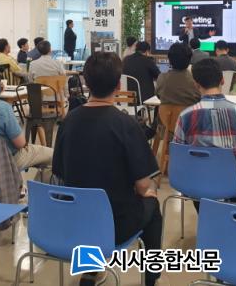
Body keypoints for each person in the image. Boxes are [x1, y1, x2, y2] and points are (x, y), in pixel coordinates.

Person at [53, 52, 162, 286]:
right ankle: (151, 280)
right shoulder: (126, 124)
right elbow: (143, 186)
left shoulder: (68, 121)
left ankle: (91, 270)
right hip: (115, 224)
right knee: (152, 205)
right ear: (118, 85)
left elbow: (59, 173)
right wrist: (149, 191)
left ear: (86, 82)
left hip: (73, 220)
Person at [174, 58, 236, 205]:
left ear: (196, 85)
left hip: (198, 188)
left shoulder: (185, 116)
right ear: (222, 80)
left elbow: (180, 158)